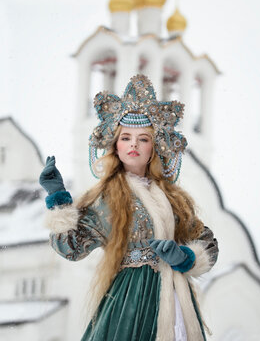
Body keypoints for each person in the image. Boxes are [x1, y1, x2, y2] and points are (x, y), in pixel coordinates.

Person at [39, 74, 218, 341]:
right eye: (126, 137)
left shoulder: (173, 199)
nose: (133, 144)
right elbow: (71, 248)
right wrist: (58, 198)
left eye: (143, 139)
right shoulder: (105, 197)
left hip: (175, 298)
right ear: (116, 146)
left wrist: (185, 257)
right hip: (129, 301)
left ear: (153, 149)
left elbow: (207, 243)